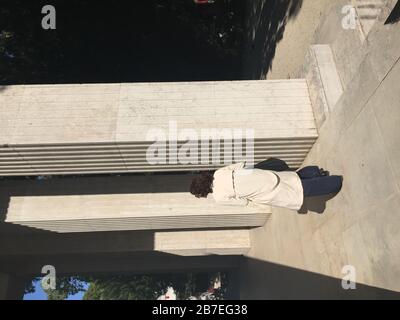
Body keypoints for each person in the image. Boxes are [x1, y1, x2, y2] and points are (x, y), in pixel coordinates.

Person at [189, 162, 343, 211]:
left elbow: (242, 202)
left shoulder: (218, 197)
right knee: (291, 178)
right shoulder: (218, 173)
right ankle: (316, 172)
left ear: (203, 192)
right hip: (258, 176)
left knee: (299, 191)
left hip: (259, 191)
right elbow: (240, 165)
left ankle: (335, 182)